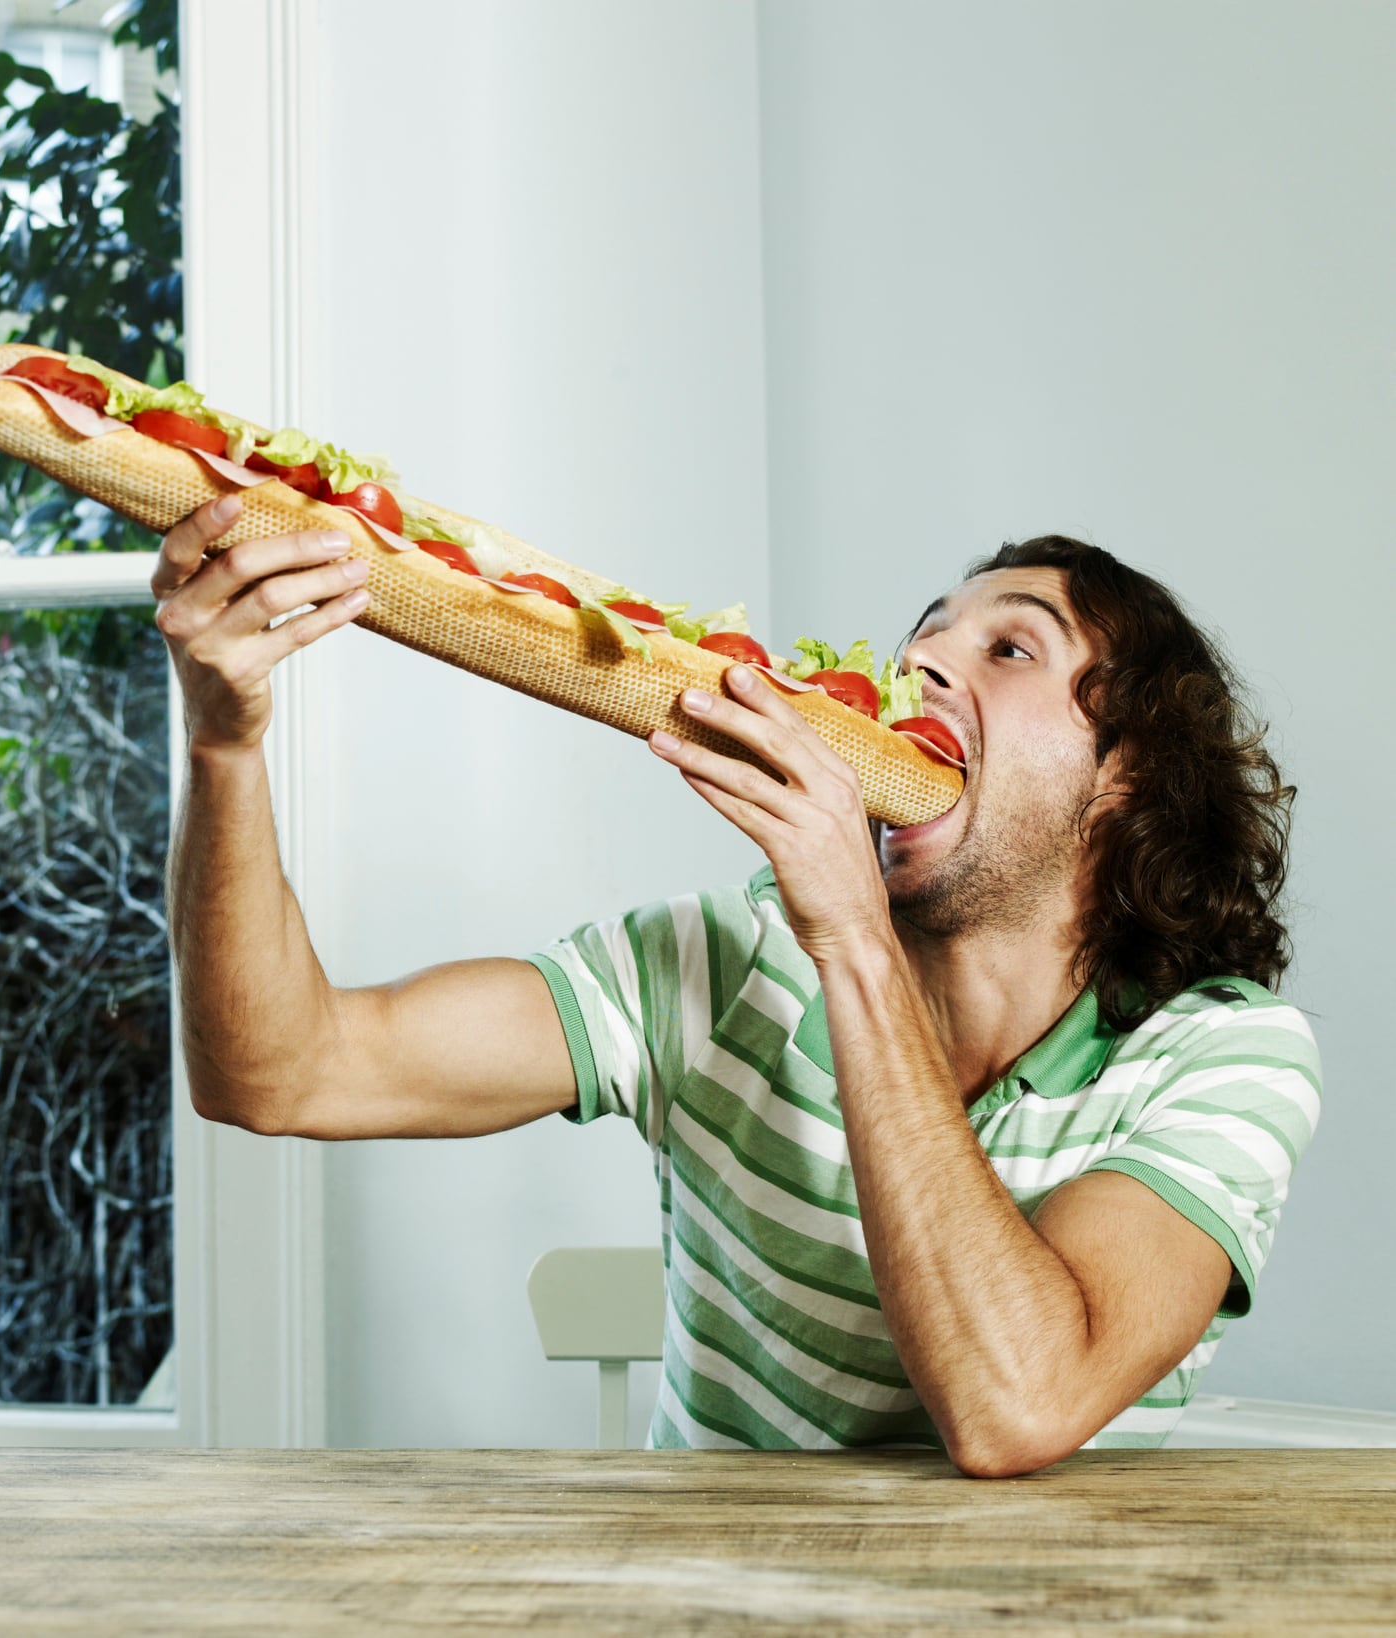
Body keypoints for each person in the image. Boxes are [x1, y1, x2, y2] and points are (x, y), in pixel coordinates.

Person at [151, 496, 1320, 1476]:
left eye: (1010, 649)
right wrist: (221, 744)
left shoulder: (1224, 1057)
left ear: (1125, 778)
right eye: (926, 638)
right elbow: (280, 1073)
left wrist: (852, 940)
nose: (919, 666)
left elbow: (1017, 1404)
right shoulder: (715, 967)